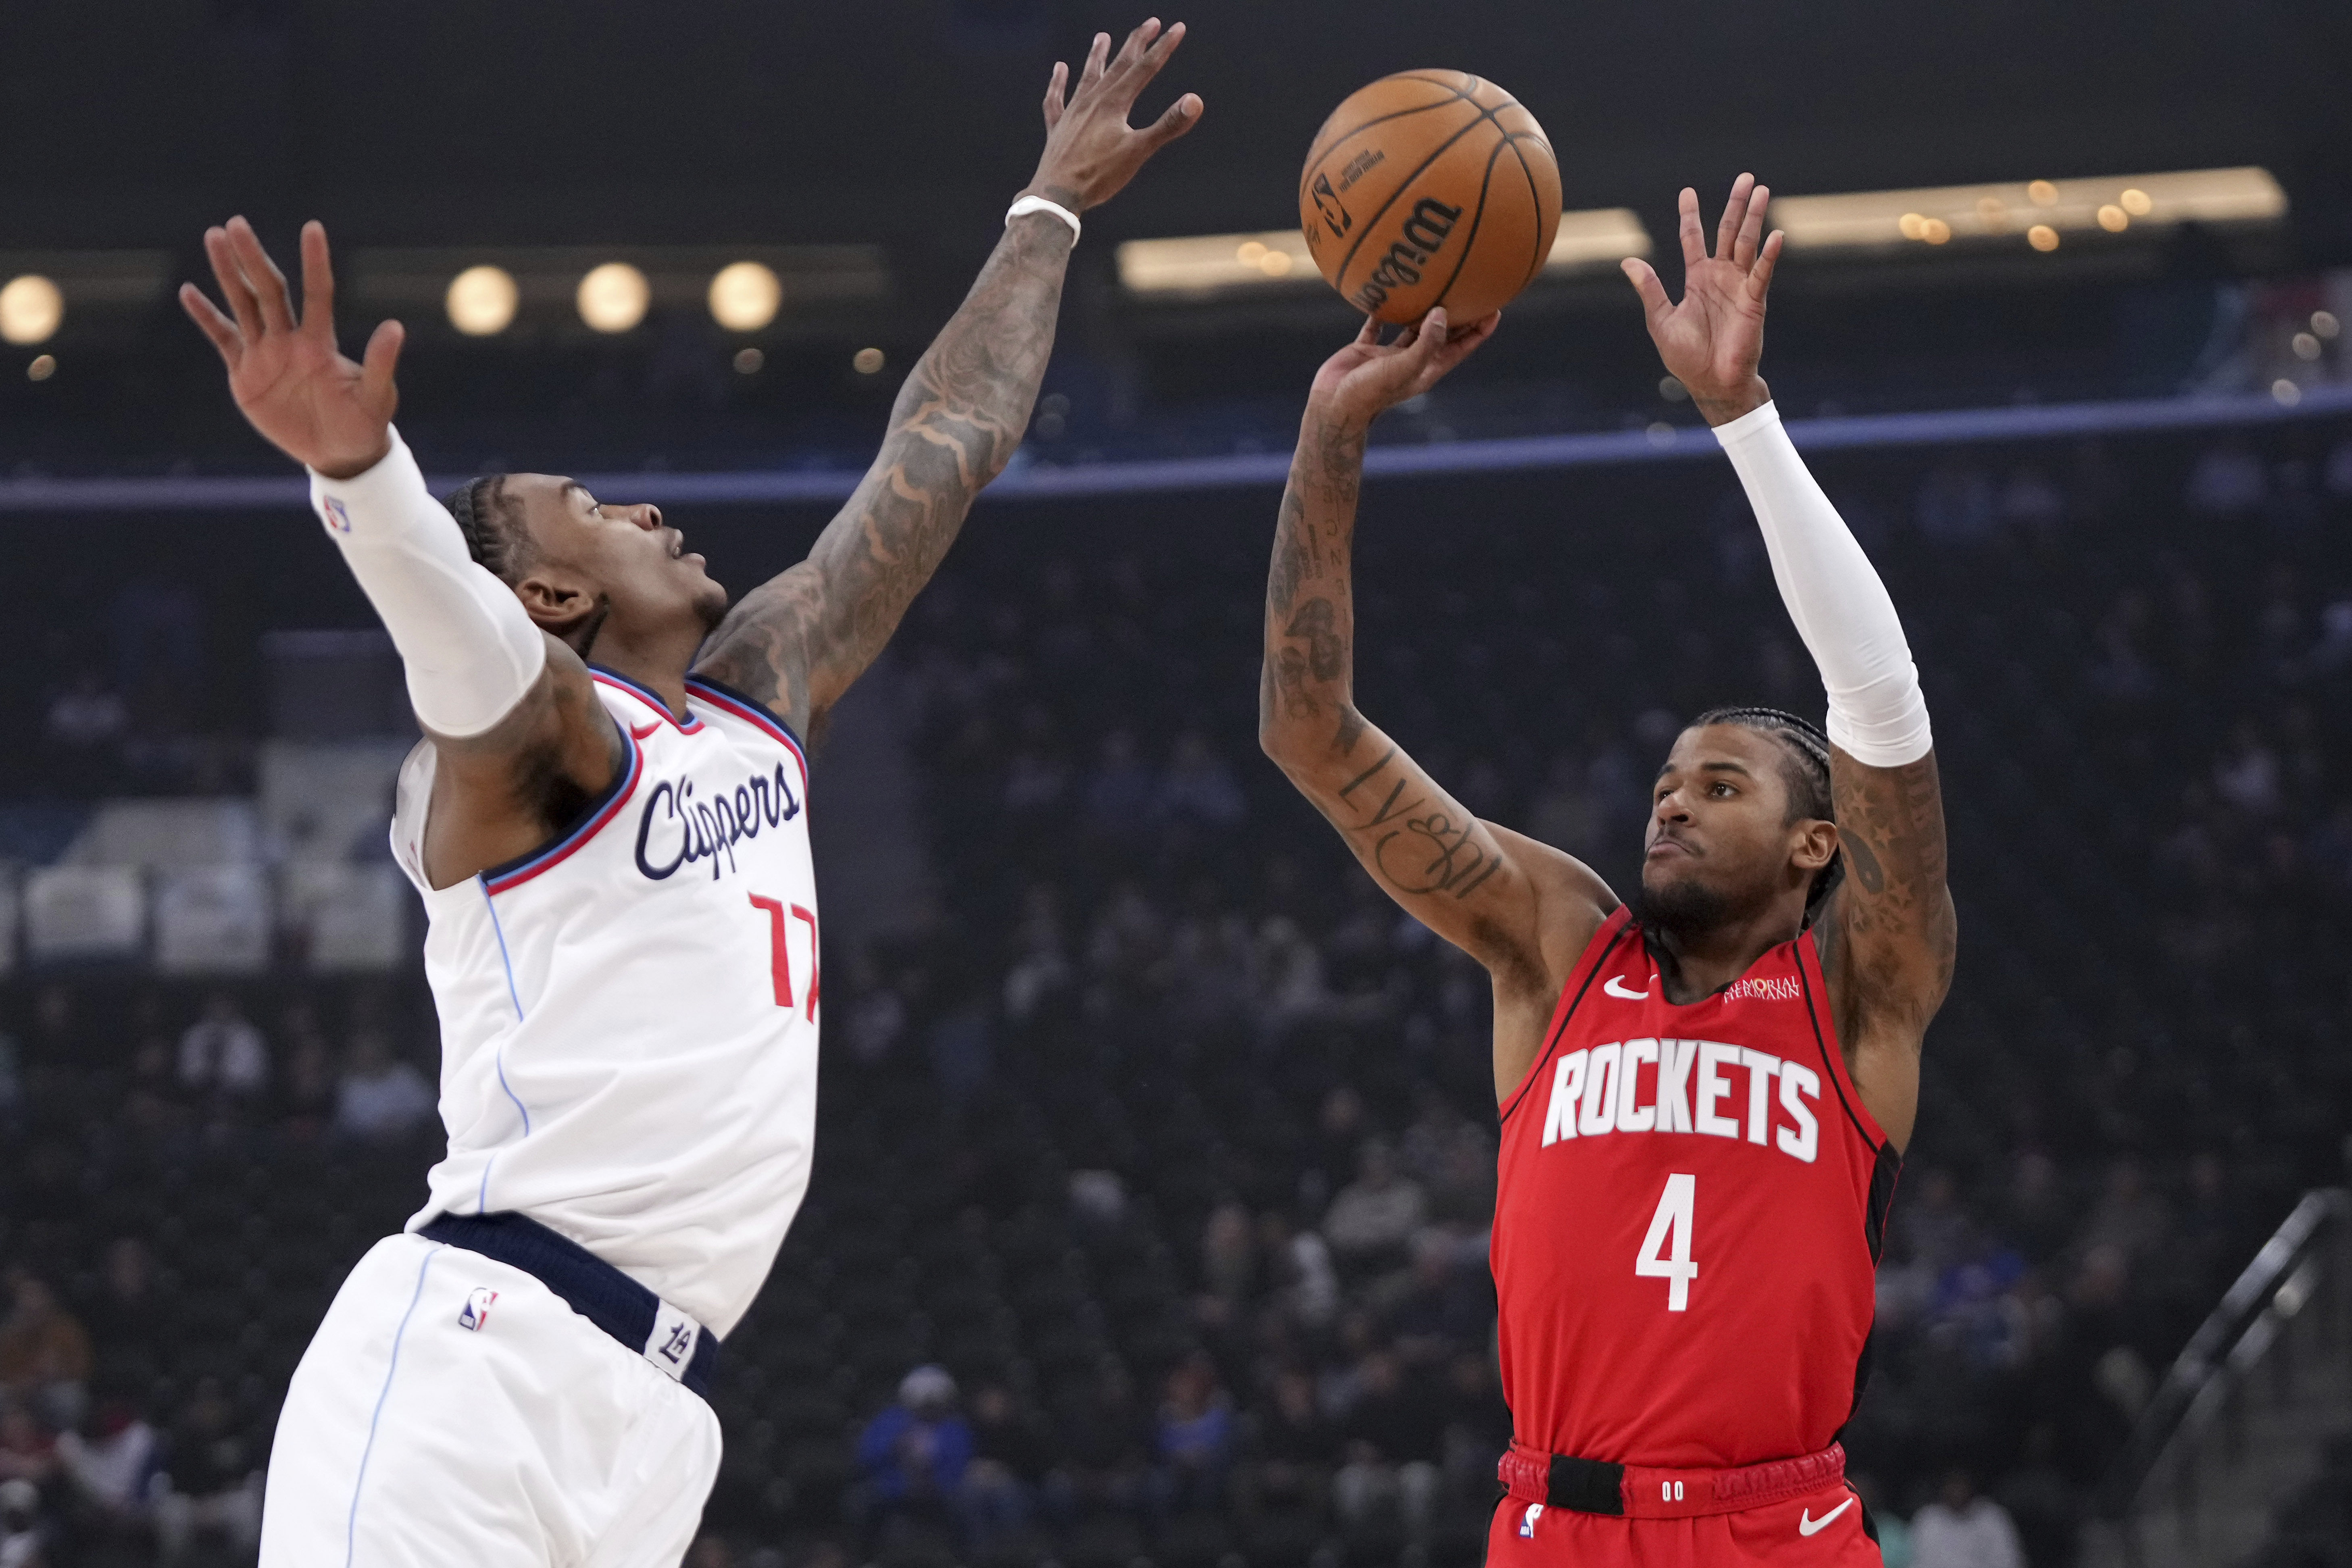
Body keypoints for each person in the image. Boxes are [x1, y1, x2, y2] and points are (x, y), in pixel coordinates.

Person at [177, 21, 1201, 1563]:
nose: (647, 506)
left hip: (655, 1414)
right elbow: (462, 657)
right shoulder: (540, 755)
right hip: (475, 1360)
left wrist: (1044, 214)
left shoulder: (754, 698)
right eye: (590, 510)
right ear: (546, 599)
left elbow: (946, 441)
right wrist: (368, 487)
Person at [1258, 176, 1955, 1566]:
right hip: (1552, 1523)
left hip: (1777, 1524)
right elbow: (1308, 732)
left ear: (1817, 843)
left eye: (1719, 786)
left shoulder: (1860, 989)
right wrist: (1330, 435)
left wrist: (1738, 419)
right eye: (1662, 786)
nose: (1671, 808)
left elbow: (1876, 696)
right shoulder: (1559, 942)